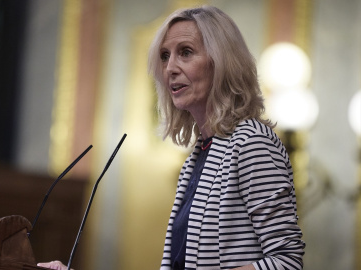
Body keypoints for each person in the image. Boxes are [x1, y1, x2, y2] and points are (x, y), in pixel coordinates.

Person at [39, 5, 305, 270]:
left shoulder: (252, 143)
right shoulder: (199, 156)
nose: (170, 68)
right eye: (165, 56)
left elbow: (286, 262)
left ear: (221, 61)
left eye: (185, 53)